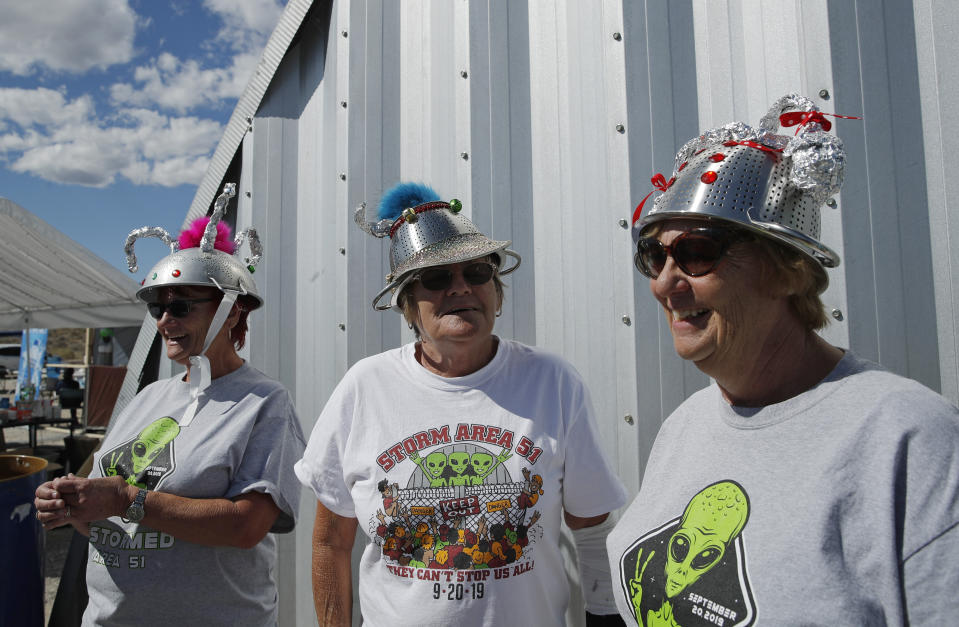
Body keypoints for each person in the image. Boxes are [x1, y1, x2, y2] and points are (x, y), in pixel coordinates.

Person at [607, 94, 959, 626]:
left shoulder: (907, 437)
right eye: (654, 255)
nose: (664, 283)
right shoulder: (687, 424)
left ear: (788, 272)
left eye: (697, 252)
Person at [295, 182, 628, 626]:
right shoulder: (364, 388)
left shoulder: (552, 382)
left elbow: (591, 527)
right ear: (408, 303)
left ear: (496, 288)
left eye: (476, 272)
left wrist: (605, 617)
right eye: (436, 278)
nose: (460, 288)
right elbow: (330, 541)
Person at [34, 184, 306, 626]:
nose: (164, 321)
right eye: (157, 309)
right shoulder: (149, 397)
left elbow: (246, 527)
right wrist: (73, 505)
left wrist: (125, 497)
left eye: (180, 307)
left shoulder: (263, 402)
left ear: (231, 312)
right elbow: (108, 521)